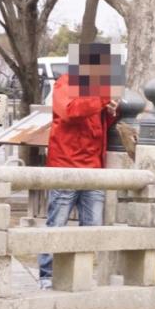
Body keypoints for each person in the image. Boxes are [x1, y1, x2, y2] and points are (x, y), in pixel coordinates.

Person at [38, 43, 120, 289]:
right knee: (57, 222)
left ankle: (79, 272)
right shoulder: (65, 83)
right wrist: (103, 98)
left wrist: (111, 111)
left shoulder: (97, 91)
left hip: (93, 167)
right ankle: (47, 275)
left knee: (92, 225)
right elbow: (71, 111)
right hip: (66, 164)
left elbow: (97, 120)